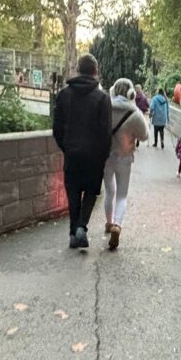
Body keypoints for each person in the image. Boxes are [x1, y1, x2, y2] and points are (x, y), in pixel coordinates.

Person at [52, 54, 111, 249]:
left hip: (72, 154)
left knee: (73, 192)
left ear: (78, 70)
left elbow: (57, 129)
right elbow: (106, 133)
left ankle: (73, 232)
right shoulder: (102, 99)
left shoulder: (64, 95)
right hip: (94, 157)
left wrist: (66, 147)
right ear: (95, 71)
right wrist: (102, 155)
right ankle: (81, 227)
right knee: (91, 192)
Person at [102, 78, 149, 250]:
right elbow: (144, 136)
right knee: (122, 195)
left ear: (113, 91)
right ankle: (117, 224)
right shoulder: (135, 113)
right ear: (131, 94)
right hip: (125, 158)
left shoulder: (105, 109)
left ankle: (108, 223)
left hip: (106, 157)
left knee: (109, 191)